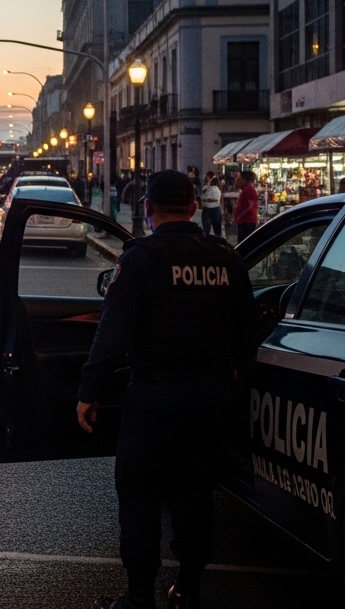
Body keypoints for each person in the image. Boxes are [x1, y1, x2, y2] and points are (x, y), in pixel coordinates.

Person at [76, 171, 258, 609]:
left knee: (139, 493)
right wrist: (234, 383)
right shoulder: (226, 257)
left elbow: (111, 334)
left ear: (148, 209)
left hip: (154, 398)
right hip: (210, 397)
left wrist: (89, 391)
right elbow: (247, 331)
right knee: (195, 495)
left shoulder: (141, 259)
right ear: (195, 207)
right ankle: (188, 589)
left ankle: (139, 597)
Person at [233, 170, 259, 243]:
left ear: (245, 179)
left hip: (247, 222)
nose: (238, 181)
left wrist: (239, 216)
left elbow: (250, 207)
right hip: (244, 222)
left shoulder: (249, 190)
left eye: (240, 178)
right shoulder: (245, 190)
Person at [198, 172, 223, 238]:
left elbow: (215, 199)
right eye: (207, 177)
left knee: (217, 229)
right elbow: (202, 197)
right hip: (206, 208)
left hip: (214, 208)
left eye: (210, 178)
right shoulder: (205, 188)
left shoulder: (216, 189)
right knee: (206, 229)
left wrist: (206, 199)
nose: (208, 179)